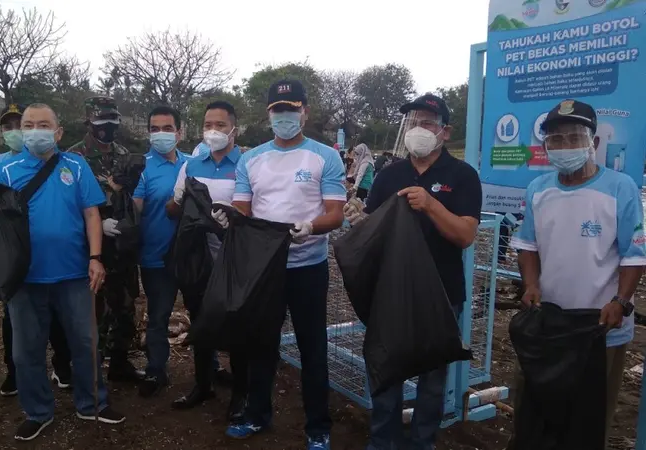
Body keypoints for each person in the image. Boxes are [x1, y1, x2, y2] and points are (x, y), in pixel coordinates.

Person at [212, 80, 346, 450]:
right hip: (265, 269)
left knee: (312, 348)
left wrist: (310, 226)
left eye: (291, 108)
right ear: (268, 114)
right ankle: (257, 414)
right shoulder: (252, 159)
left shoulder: (324, 156)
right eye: (277, 110)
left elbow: (335, 214)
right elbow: (244, 208)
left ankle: (318, 425)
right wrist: (229, 219)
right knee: (260, 345)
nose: (284, 116)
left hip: (308, 266)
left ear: (304, 111)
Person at [0, 104, 124, 441]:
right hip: (24, 277)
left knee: (86, 342)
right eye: (28, 125)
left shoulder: (76, 164)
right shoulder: (5, 170)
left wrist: (96, 257)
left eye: (43, 124)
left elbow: (91, 214)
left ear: (58, 132)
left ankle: (92, 403)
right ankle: (38, 411)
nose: (34, 130)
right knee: (26, 350)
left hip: (74, 273)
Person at [344, 93, 482, 450]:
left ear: (445, 132)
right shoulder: (391, 174)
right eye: (413, 122)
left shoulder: (462, 175)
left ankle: (423, 443)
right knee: (386, 373)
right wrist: (360, 219)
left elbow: (465, 235)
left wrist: (432, 205)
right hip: (391, 292)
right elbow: (376, 227)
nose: (418, 129)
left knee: (432, 379)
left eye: (427, 122)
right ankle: (381, 442)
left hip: (441, 293)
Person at [509, 99, 645, 449]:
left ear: (594, 143)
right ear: (545, 147)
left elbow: (635, 254)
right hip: (548, 325)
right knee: (536, 411)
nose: (563, 147)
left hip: (600, 330)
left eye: (573, 138)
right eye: (555, 140)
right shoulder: (538, 190)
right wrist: (531, 284)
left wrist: (620, 301)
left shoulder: (620, 187)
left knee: (589, 422)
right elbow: (528, 245)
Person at [0, 103, 72, 398]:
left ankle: (62, 366)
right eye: (11, 127)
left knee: (58, 320)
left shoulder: (64, 163)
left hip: (56, 262)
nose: (19, 132)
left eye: (39, 126)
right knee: (16, 324)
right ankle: (16, 374)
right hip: (17, 262)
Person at [165, 101, 247, 420]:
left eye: (220, 125)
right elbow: (173, 208)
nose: (213, 131)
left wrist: (233, 218)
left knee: (238, 326)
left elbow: (255, 209)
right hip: (199, 261)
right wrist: (183, 203)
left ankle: (241, 393)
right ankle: (203, 384)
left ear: (233, 130)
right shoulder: (192, 165)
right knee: (200, 322)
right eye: (207, 124)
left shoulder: (247, 165)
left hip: (234, 261)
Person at [67, 96, 143, 383]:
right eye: (101, 120)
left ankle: (120, 363)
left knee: (124, 304)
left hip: (121, 243)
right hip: (90, 246)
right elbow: (68, 202)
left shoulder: (124, 154)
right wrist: (98, 221)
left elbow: (131, 194)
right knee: (93, 308)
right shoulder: (73, 158)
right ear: (89, 122)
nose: (108, 126)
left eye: (113, 120)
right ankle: (91, 369)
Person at [132, 105, 189, 398]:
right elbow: (136, 210)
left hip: (193, 257)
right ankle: (156, 369)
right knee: (158, 316)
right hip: (155, 256)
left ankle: (211, 366)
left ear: (179, 132)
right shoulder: (140, 167)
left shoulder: (195, 163)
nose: (161, 134)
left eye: (167, 129)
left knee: (204, 311)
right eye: (155, 129)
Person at [0, 104, 26, 171]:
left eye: (20, 125)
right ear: (1, 131)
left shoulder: (44, 161)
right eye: (8, 127)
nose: (14, 132)